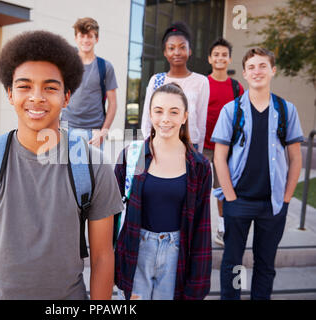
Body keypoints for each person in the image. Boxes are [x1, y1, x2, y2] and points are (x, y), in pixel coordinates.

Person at [0, 30, 124, 300]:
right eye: (24, 86)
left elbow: (102, 257)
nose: (37, 97)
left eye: (50, 88)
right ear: (9, 93)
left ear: (67, 97)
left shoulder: (93, 168)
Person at [212, 48, 303, 300]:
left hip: (272, 204)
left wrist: (286, 198)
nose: (257, 71)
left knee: (265, 265)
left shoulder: (286, 110)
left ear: (273, 71)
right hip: (238, 201)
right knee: (233, 263)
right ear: (244, 73)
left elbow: (295, 157)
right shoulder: (232, 111)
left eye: (263, 66)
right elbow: (219, 157)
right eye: (251, 67)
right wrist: (229, 197)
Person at [114, 83, 212, 300]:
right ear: (150, 113)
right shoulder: (132, 156)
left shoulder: (199, 165)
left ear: (185, 116)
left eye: (174, 112)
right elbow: (111, 213)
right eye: (158, 111)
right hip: (136, 250)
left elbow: (202, 226)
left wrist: (198, 280)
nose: (165, 119)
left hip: (176, 254)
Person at [140, 22, 209, 152]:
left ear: (189, 51)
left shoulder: (201, 82)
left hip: (190, 145)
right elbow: (146, 120)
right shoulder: (157, 80)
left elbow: (201, 122)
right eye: (171, 48)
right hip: (160, 144)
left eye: (182, 47)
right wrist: (149, 147)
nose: (177, 52)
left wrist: (198, 153)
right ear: (165, 52)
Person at [204, 38, 244, 246]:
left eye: (224, 54)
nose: (220, 58)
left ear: (229, 59)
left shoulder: (237, 87)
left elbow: (243, 117)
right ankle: (198, 229)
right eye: (216, 54)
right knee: (198, 189)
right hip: (202, 145)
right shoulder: (203, 83)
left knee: (222, 189)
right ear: (210, 58)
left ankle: (221, 228)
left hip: (226, 147)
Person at [60, 17, 118, 148]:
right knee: (65, 168)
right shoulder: (66, 65)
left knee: (93, 168)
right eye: (82, 36)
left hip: (94, 133)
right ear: (76, 38)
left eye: (90, 36)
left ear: (96, 39)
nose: (86, 40)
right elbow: (56, 95)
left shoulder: (105, 67)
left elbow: (113, 104)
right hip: (66, 129)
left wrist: (103, 133)